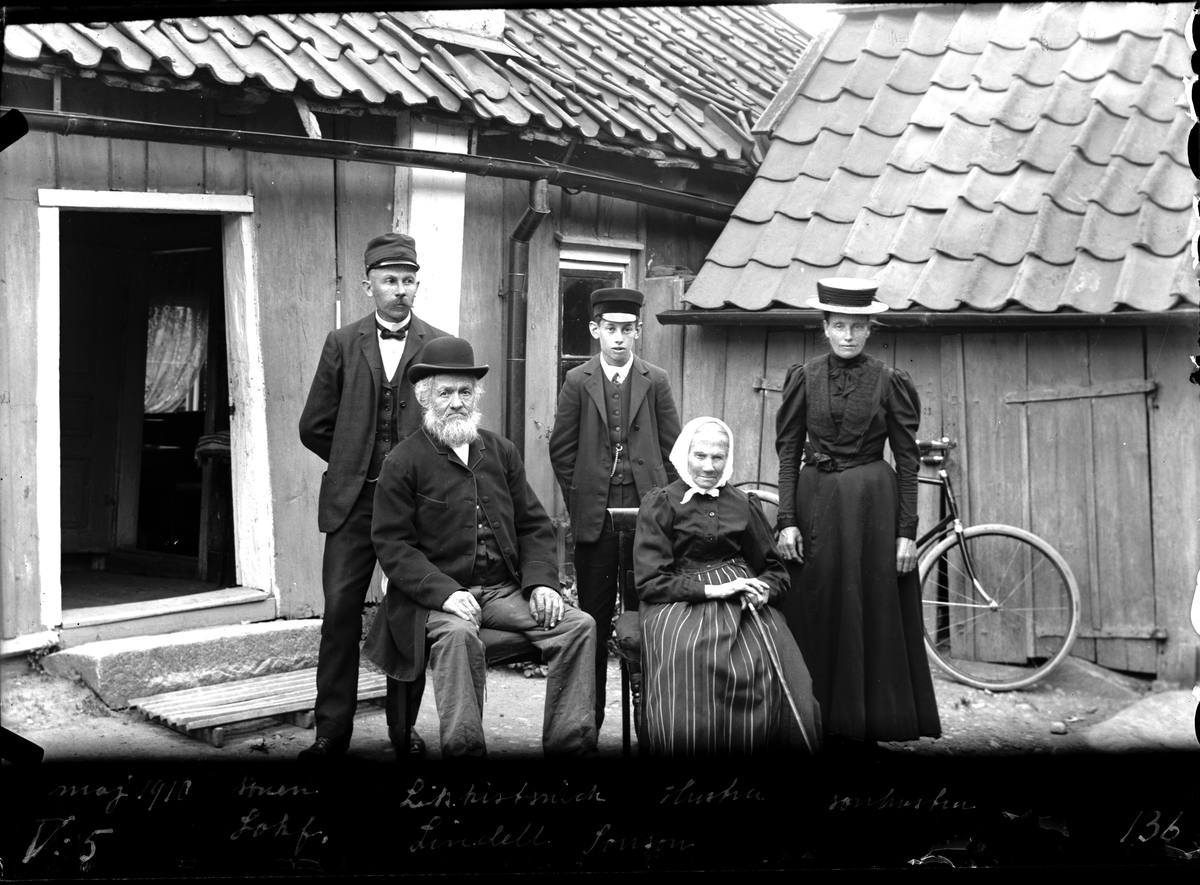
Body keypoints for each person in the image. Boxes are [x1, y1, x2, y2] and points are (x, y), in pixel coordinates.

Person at [361, 337, 599, 759]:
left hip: (502, 592)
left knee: (578, 625)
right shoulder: (403, 461)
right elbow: (392, 545)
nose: (456, 402)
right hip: (434, 601)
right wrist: (446, 593)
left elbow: (532, 524)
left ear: (476, 396)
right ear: (425, 398)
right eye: (445, 393)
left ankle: (571, 752)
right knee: (457, 636)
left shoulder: (501, 451)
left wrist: (542, 583)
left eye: (465, 392)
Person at [297, 233, 449, 761]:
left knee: (408, 614)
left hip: (414, 508)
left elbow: (449, 426)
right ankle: (330, 733)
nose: (400, 290)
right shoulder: (342, 342)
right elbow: (314, 425)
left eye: (408, 280)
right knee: (340, 612)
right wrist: (353, 463)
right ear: (368, 286)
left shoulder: (439, 346)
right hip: (353, 504)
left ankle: (403, 731)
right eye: (389, 281)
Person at [774, 278, 941, 753]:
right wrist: (786, 520)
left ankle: (865, 727)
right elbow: (788, 454)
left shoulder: (891, 381)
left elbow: (907, 461)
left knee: (869, 609)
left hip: (873, 511)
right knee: (815, 607)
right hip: (814, 508)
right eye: (839, 326)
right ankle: (815, 722)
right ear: (825, 327)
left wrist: (906, 533)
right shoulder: (804, 377)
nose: (848, 335)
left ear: (870, 329)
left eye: (857, 326)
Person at [633, 417, 821, 756]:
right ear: (684, 454)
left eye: (717, 457)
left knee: (774, 661)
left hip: (742, 602)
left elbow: (775, 571)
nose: (709, 466)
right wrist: (712, 590)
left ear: (728, 458)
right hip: (676, 603)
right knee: (689, 657)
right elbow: (650, 581)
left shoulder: (743, 503)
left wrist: (763, 590)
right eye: (700, 455)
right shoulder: (662, 502)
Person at [549, 287, 681, 734]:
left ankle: (651, 722)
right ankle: (587, 723)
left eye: (627, 330)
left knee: (648, 619)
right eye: (610, 329)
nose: (619, 338)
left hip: (648, 517)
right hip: (597, 521)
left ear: (638, 331)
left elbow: (673, 449)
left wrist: (663, 505)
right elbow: (562, 450)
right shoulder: (577, 381)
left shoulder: (656, 379)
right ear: (595, 330)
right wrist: (584, 500)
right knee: (593, 619)